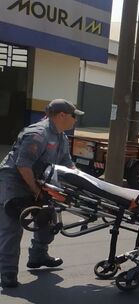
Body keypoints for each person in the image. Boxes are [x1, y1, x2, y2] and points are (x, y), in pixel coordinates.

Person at [0, 99, 81, 288]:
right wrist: (36, 191)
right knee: (12, 227)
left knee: (47, 218)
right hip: (14, 182)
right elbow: (23, 165)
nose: (75, 120)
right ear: (61, 115)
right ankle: (7, 272)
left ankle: (38, 256)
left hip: (37, 181)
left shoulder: (62, 137)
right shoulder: (38, 134)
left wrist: (82, 182)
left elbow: (68, 166)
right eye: (73, 116)